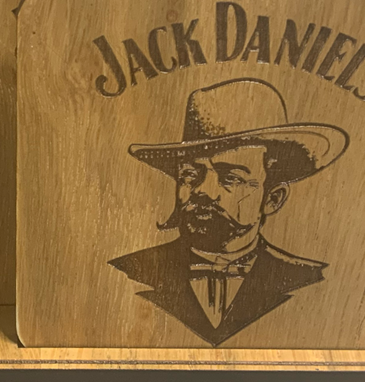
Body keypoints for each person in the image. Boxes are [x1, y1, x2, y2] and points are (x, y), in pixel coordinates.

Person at [109, 78, 349, 346]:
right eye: (191, 175)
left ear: (272, 199)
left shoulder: (309, 279)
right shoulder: (127, 273)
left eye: (230, 178)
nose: (204, 191)